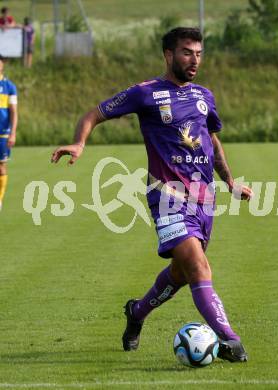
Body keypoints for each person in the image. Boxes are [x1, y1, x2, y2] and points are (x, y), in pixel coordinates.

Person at [51, 27, 253, 362]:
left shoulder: (204, 96)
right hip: (168, 197)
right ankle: (230, 340)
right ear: (168, 54)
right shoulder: (145, 93)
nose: (194, 60)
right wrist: (79, 142)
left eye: (199, 53)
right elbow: (95, 113)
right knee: (199, 268)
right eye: (187, 52)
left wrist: (230, 182)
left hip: (204, 199)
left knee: (181, 272)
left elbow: (211, 140)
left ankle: (137, 312)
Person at [0, 55, 18, 211]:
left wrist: (13, 133)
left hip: (2, 133)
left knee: (1, 166)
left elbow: (14, 112)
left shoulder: (9, 86)